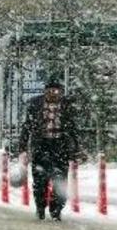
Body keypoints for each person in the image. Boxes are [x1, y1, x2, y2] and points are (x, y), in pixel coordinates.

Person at [18, 80, 81, 221]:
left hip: (60, 147)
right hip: (41, 146)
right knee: (40, 181)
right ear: (45, 91)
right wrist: (22, 147)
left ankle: (56, 209)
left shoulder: (66, 106)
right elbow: (27, 126)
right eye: (50, 91)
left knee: (60, 181)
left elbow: (72, 129)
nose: (53, 94)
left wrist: (76, 148)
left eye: (57, 91)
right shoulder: (35, 104)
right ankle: (40, 207)